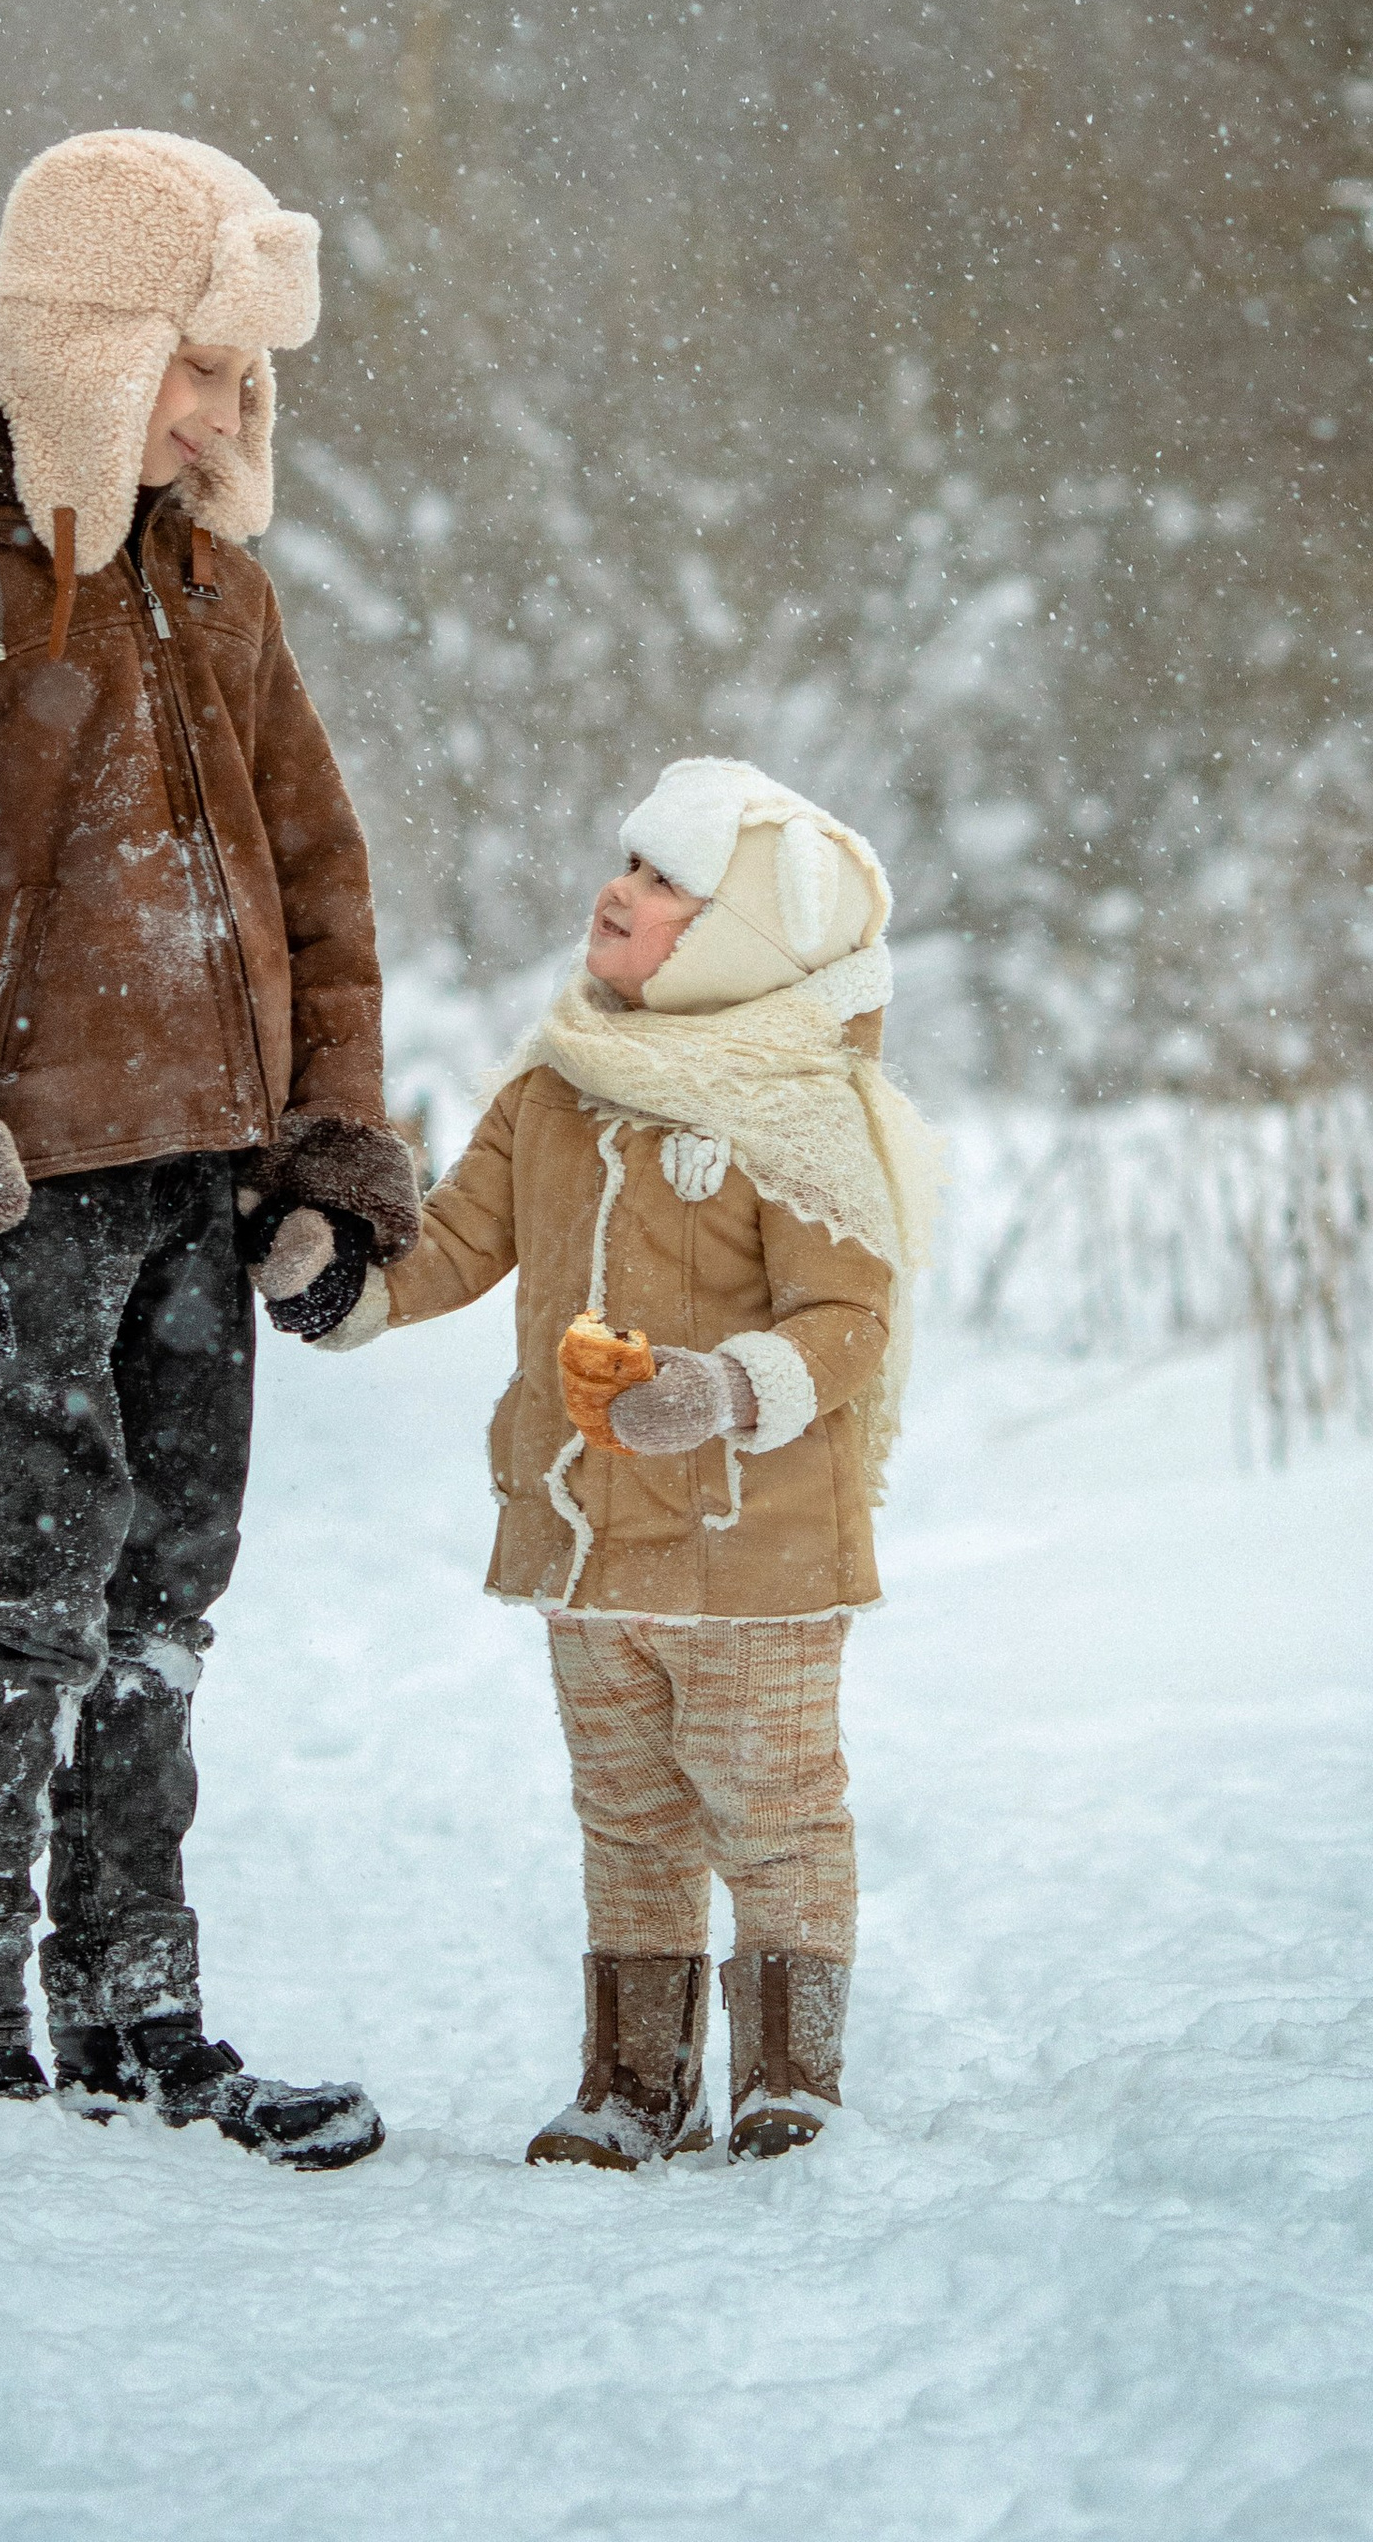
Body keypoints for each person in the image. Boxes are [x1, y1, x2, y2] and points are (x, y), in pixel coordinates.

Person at [0, 127, 419, 2155]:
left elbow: (318, 872)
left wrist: (328, 1154)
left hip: (200, 1189)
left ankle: (139, 2013)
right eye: (194, 366)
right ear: (88, 346)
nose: (228, 412)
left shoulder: (207, 587)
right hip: (26, 1187)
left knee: (158, 1612)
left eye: (245, 378)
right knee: (11, 1604)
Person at [258, 756, 939, 2168]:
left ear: (740, 936)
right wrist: (337, 1286)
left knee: (772, 1811)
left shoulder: (799, 1108)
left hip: (755, 1545)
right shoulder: (555, 1090)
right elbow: (449, 1249)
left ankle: (788, 2079)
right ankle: (635, 2083)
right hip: (588, 1538)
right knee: (626, 1818)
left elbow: (850, 1319)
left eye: (659, 880)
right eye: (624, 864)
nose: (614, 893)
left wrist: (725, 1388)